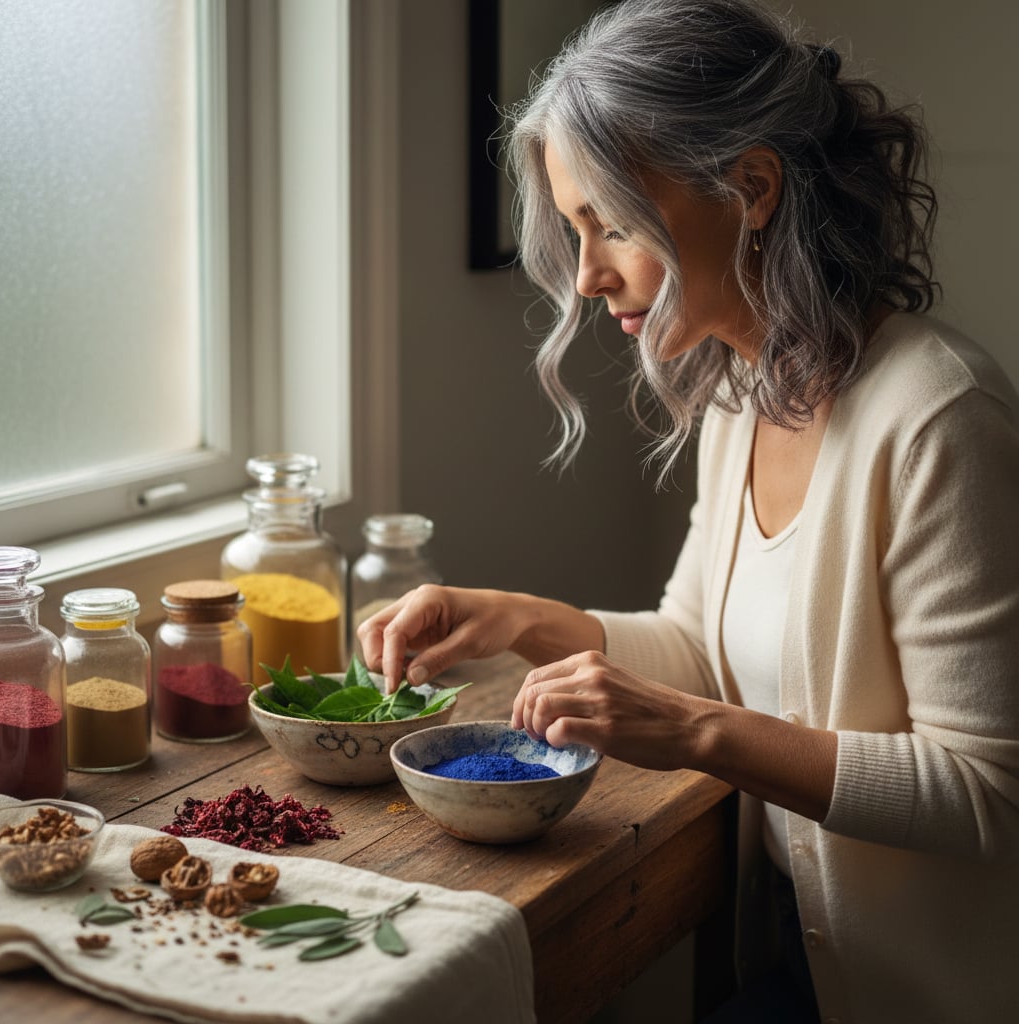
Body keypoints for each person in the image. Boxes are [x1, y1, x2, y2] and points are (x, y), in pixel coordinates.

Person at [359, 1, 1019, 1020]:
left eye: (611, 223)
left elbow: (987, 793)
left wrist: (698, 731)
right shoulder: (742, 394)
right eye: (577, 230)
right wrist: (517, 622)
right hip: (786, 955)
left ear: (750, 187)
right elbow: (700, 652)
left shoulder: (939, 419)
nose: (586, 276)